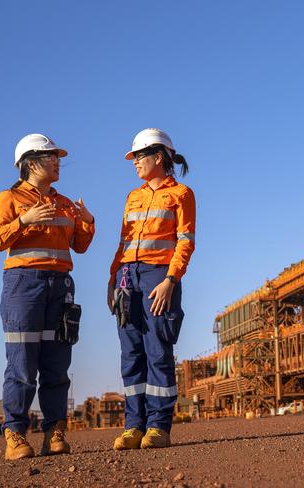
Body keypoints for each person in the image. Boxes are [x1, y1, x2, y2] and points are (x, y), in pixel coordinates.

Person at [0, 134, 95, 460]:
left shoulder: (64, 203)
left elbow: (80, 245)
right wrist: (24, 220)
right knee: (21, 362)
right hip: (23, 285)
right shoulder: (9, 198)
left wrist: (87, 221)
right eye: (51, 157)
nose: (57, 162)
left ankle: (54, 432)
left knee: (57, 363)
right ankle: (15, 435)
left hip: (60, 285)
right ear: (30, 163)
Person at [108, 128, 195, 450]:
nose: (134, 163)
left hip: (159, 277)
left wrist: (169, 281)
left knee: (158, 352)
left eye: (139, 157)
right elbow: (123, 242)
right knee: (131, 353)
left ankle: (158, 427)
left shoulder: (181, 194)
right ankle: (134, 426)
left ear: (159, 157)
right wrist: (112, 279)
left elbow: (186, 243)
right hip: (127, 278)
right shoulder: (134, 196)